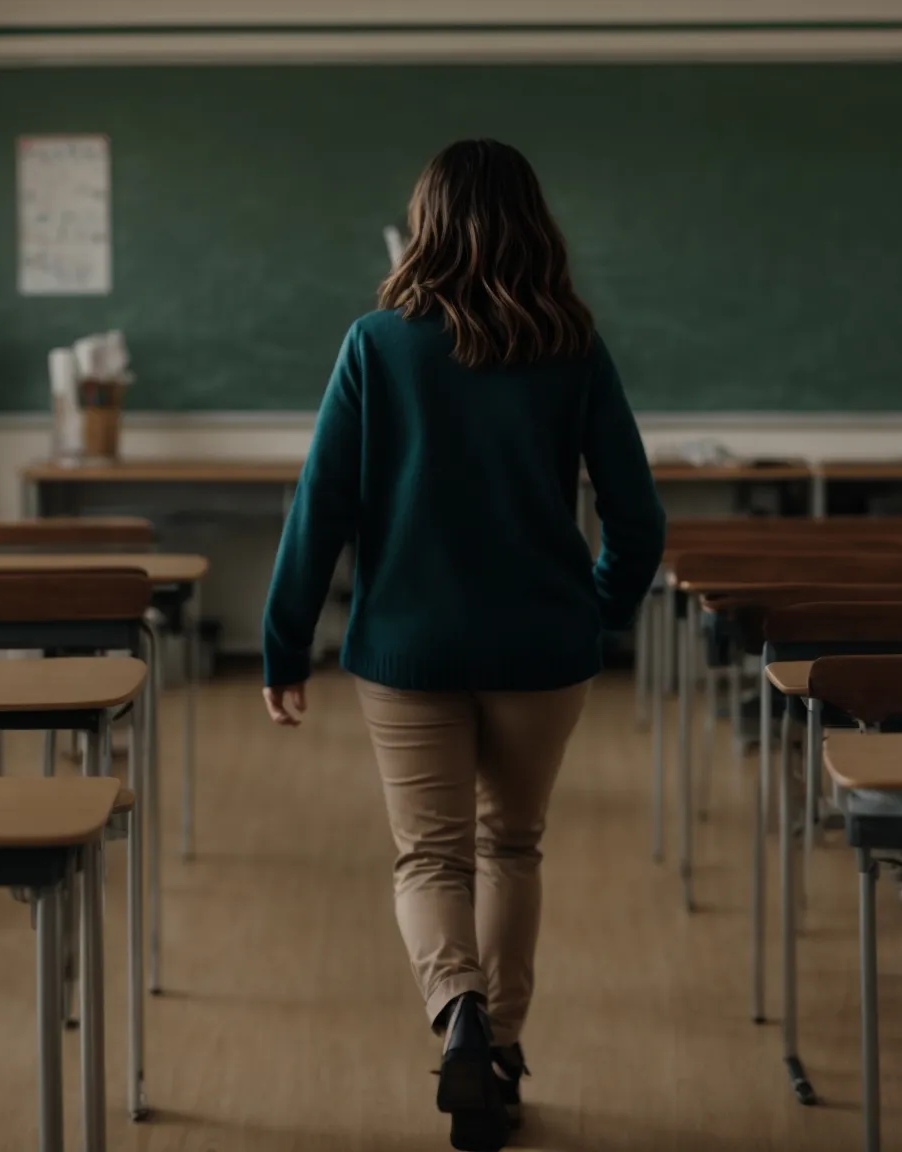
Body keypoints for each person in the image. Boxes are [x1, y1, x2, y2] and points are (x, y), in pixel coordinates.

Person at [260, 138, 666, 1151]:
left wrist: (280, 647)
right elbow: (637, 518)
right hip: (541, 647)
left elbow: (319, 510)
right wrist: (597, 608)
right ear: (534, 223)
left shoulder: (376, 344)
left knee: (428, 856)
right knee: (510, 844)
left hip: (406, 648)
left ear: (425, 224)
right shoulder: (572, 346)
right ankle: (505, 1050)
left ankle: (458, 1021)